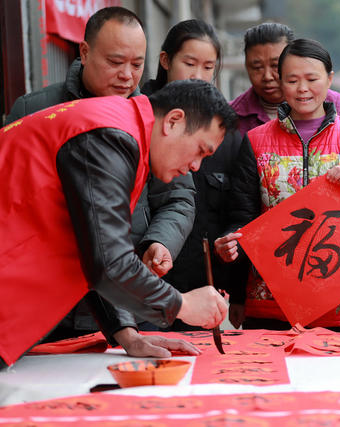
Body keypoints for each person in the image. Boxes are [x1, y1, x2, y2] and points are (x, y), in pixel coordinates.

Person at [0, 79, 235, 368]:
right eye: (200, 150)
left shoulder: (121, 131)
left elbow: (92, 243)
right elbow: (109, 262)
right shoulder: (111, 136)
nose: (196, 166)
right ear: (173, 121)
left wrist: (127, 334)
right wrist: (182, 305)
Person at [6, 7, 197, 347]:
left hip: (121, 295)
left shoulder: (151, 119)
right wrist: (181, 305)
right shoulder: (35, 110)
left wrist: (159, 242)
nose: (127, 75)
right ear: (84, 52)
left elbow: (176, 199)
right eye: (115, 61)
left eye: (137, 64)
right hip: (40, 304)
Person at [215, 38, 340, 332]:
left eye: (312, 79)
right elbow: (242, 219)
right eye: (292, 80)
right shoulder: (256, 141)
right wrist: (231, 243)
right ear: (281, 83)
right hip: (271, 301)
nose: (303, 89)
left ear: (330, 79)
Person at [140, 19, 246, 331]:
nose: (198, 76)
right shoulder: (138, 120)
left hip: (200, 283)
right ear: (164, 61)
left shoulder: (226, 134)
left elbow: (238, 210)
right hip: (144, 278)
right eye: (189, 63)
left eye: (208, 67)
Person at [230, 22, 340, 138]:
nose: (267, 76)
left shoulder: (331, 102)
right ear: (246, 66)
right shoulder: (233, 115)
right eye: (257, 67)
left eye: (275, 65)